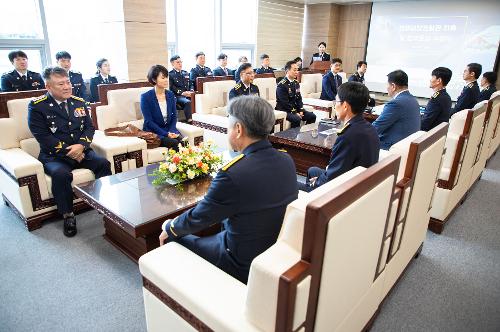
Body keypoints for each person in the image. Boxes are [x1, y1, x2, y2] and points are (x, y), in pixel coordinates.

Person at [159, 95, 298, 284]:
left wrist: (169, 226)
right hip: (273, 250)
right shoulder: (286, 159)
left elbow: (199, 217)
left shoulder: (233, 173)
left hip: (240, 261)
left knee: (171, 237)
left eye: (229, 125)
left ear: (238, 129)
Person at [27, 66, 111, 237]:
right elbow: (43, 136)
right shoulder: (37, 107)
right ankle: (68, 215)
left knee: (103, 163)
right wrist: (70, 151)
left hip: (81, 150)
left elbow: (89, 128)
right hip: (54, 156)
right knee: (61, 174)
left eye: (68, 82)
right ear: (48, 86)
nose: (67, 87)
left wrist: (81, 146)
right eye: (60, 84)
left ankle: (103, 204)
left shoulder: (79, 102)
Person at [298, 82, 380, 192]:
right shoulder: (369, 128)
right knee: (313, 170)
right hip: (358, 181)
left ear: (345, 106)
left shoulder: (348, 136)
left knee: (290, 185)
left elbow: (332, 178)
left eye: (336, 101)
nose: (335, 105)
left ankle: (311, 200)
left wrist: (316, 182)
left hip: (344, 190)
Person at [372, 70, 420, 150]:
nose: (386, 88)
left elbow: (375, 129)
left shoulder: (396, 104)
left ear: (393, 86)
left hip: (391, 147)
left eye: (387, 85)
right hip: (406, 145)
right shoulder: (413, 100)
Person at [141, 65, 183, 150]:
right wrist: (166, 134)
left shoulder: (170, 94)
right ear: (154, 79)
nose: (166, 80)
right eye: (163, 78)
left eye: (167, 77)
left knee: (183, 141)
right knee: (175, 143)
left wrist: (171, 131)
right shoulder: (145, 97)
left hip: (168, 129)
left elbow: (174, 116)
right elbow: (148, 121)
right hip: (154, 132)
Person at [276, 61, 316, 128]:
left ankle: (305, 133)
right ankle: (292, 137)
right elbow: (285, 103)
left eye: (297, 70)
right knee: (296, 119)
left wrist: (301, 110)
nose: (297, 72)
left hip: (295, 108)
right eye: (294, 70)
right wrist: (295, 112)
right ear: (287, 71)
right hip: (284, 110)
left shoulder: (296, 83)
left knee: (312, 116)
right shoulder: (282, 85)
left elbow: (299, 98)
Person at [421, 67, 452, 131]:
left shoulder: (436, 99)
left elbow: (425, 123)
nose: (430, 80)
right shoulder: (446, 96)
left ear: (439, 81)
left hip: (428, 135)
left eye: (432, 77)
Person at [169, 55, 193, 123]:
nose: (180, 64)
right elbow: (171, 87)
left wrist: (191, 91)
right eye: (178, 62)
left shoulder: (185, 73)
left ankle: (200, 119)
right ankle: (190, 121)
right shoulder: (170, 75)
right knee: (187, 102)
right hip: (178, 96)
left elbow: (191, 84)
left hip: (188, 94)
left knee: (198, 99)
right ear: (172, 64)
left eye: (181, 62)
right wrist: (182, 93)